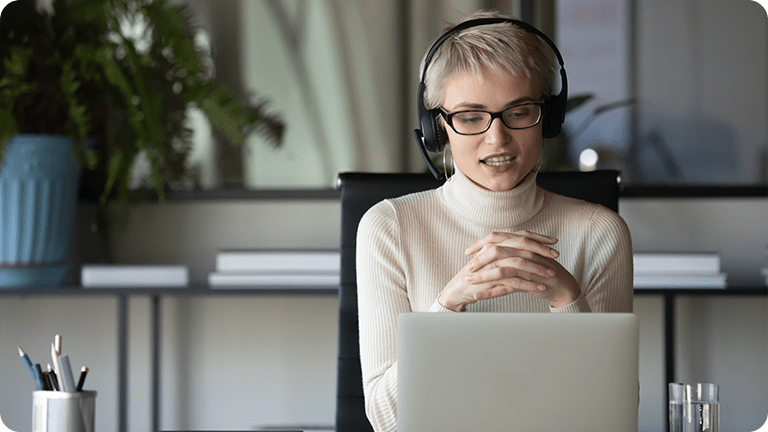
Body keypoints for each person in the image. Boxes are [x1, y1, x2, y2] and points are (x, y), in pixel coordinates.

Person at [355, 10, 633, 432]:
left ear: (549, 118)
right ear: (438, 128)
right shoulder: (389, 228)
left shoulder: (599, 233)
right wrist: (449, 304)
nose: (497, 138)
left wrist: (566, 298)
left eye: (519, 112)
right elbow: (387, 419)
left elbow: (611, 419)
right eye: (470, 117)